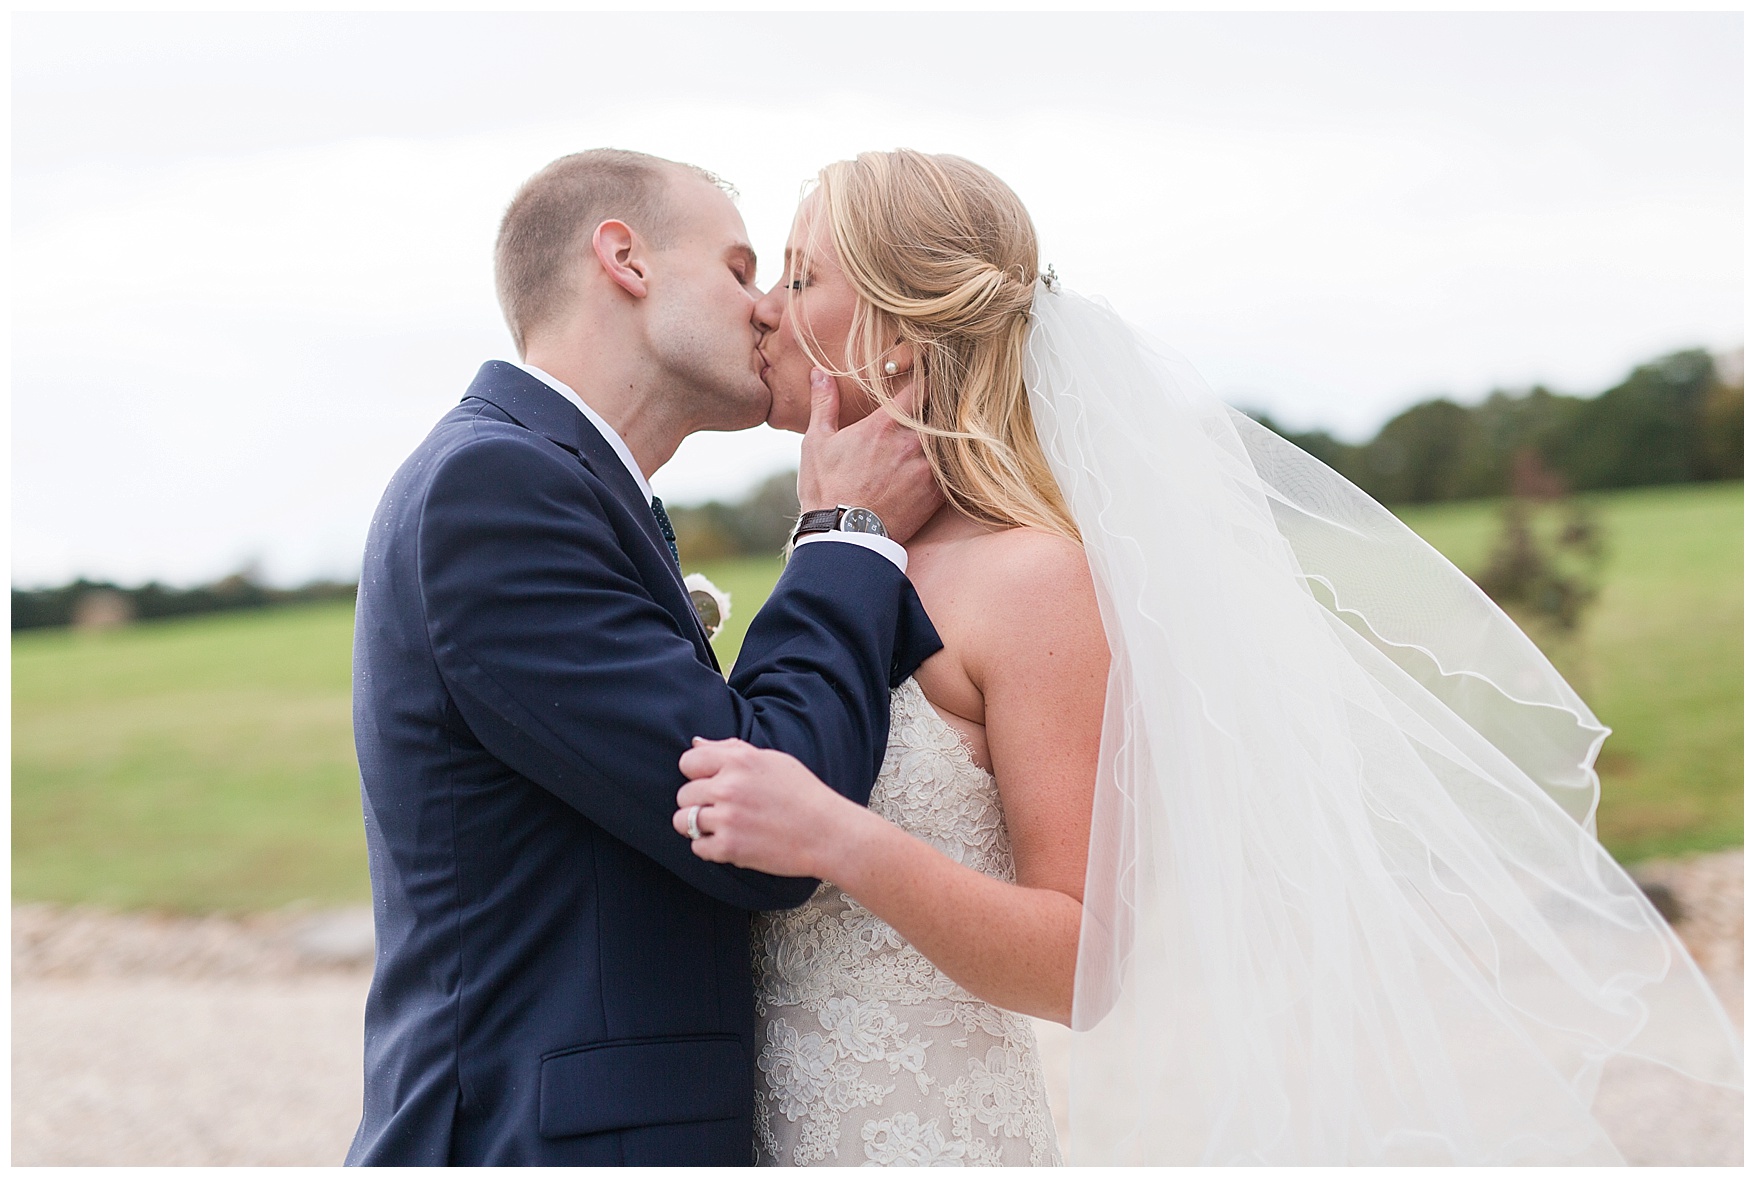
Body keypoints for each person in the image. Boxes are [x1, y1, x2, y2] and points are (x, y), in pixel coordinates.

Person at [670, 150, 1744, 1166]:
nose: (767, 302)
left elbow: (1078, 960)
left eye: (803, 273)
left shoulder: (1033, 579)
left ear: (902, 334)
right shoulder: (841, 551)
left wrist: (844, 840)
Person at [346, 149, 945, 1166]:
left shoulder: (554, 483)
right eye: (740, 267)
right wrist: (846, 534)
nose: (767, 310)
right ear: (624, 258)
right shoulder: (492, 489)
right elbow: (760, 814)